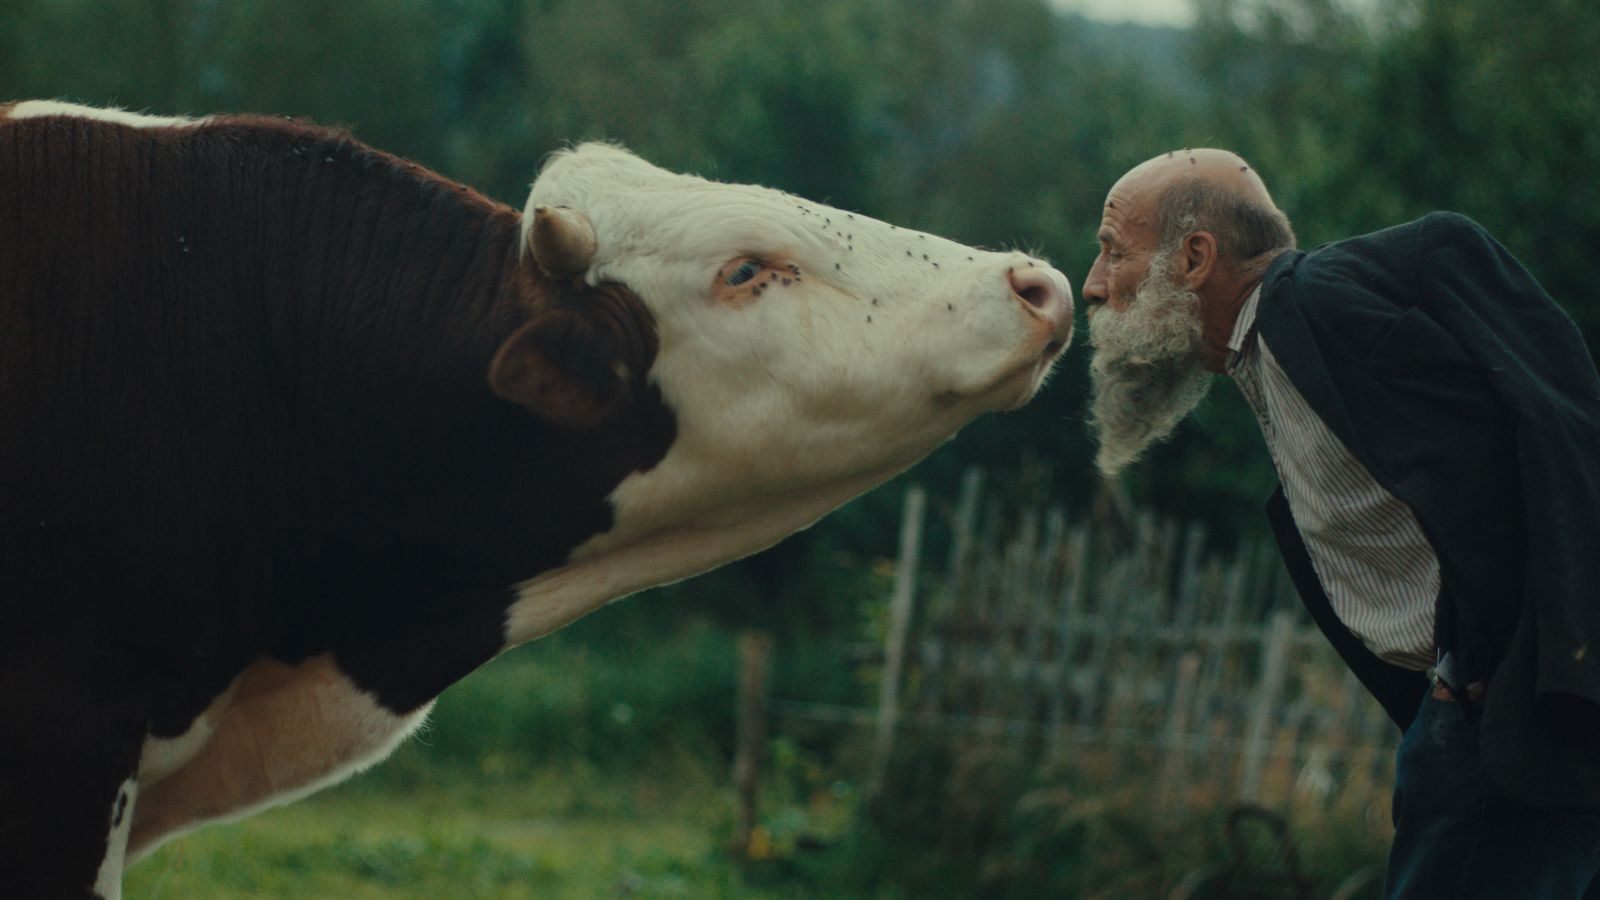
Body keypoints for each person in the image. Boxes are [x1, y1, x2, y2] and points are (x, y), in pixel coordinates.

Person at [1082, 148, 1600, 898]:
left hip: (1506, 730)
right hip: (1489, 727)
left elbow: (1536, 432)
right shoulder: (1271, 356)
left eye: (1112, 252)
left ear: (1195, 258)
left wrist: (1488, 675)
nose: (1095, 285)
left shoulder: (1318, 304)